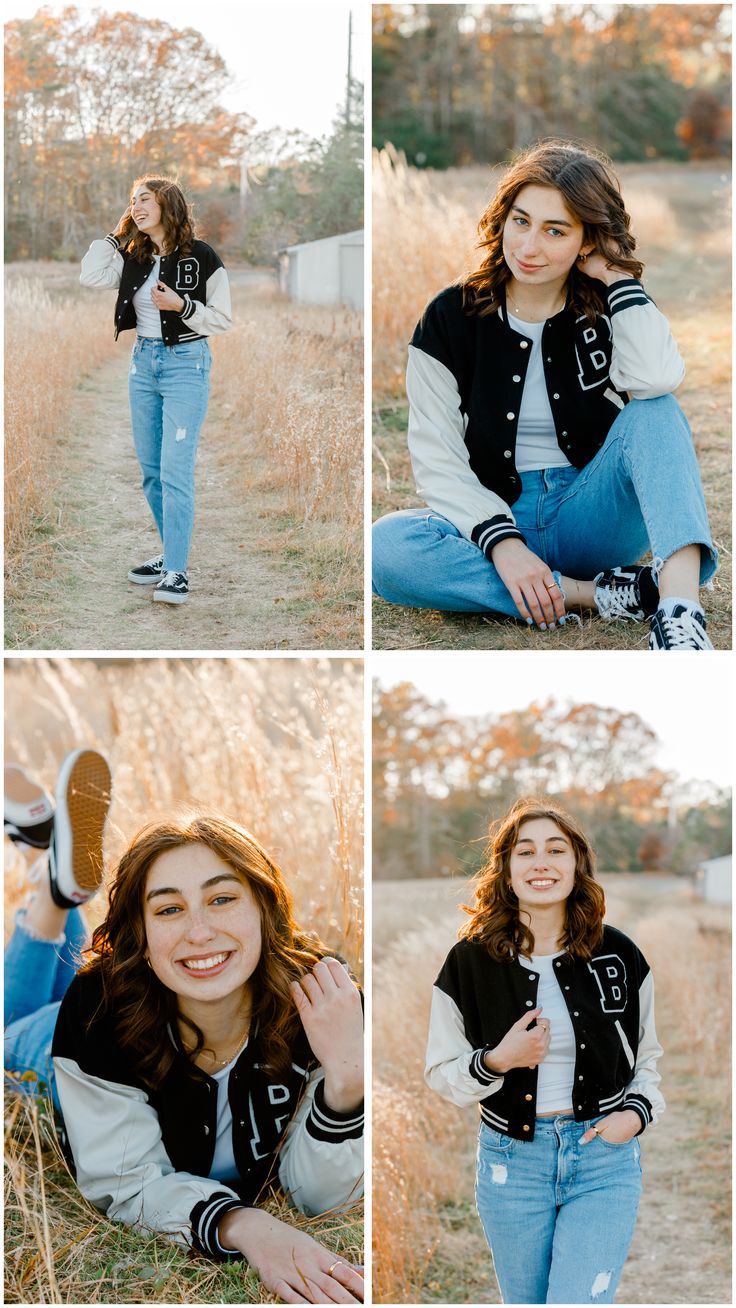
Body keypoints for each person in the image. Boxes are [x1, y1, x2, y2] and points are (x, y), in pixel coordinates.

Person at [4, 750, 364, 1305]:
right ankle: (57, 888)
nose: (199, 931)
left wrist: (347, 1082)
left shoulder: (322, 1002)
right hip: (48, 1055)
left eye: (222, 899)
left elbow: (319, 1196)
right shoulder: (96, 1013)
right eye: (168, 910)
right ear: (140, 937)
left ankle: (52, 873)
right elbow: (127, 1184)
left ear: (265, 913)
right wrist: (243, 1225)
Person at [372, 140, 718, 649]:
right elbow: (436, 457)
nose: (529, 247)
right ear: (503, 219)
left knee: (657, 411)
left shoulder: (611, 305)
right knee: (388, 547)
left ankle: (679, 613)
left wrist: (617, 275)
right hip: (496, 514)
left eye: (555, 230)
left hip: (592, 515)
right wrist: (503, 543)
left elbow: (656, 380)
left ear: (587, 241)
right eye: (521, 221)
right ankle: (595, 594)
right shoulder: (450, 317)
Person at [425, 798, 663, 1305]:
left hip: (604, 1158)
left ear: (576, 865)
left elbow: (648, 1059)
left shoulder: (619, 955)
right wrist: (498, 1060)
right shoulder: (469, 962)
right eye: (525, 851)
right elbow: (441, 1073)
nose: (541, 863)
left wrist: (636, 1117)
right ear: (506, 871)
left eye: (556, 850)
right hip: (512, 1165)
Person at [80, 176, 232, 605]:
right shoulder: (135, 254)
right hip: (142, 364)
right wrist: (116, 235)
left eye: (145, 199)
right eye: (132, 201)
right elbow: (90, 275)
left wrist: (182, 306)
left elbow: (222, 318)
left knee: (175, 470)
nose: (137, 206)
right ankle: (169, 556)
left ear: (168, 204)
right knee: (150, 470)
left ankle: (178, 573)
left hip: (187, 362)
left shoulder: (201, 257)